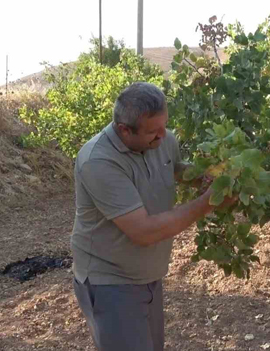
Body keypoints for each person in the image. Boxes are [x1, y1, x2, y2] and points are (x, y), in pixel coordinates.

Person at [70, 81, 234, 351]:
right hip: (110, 281)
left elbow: (175, 168)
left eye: (164, 126)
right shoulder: (98, 161)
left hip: (147, 275)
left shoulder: (162, 139)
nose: (163, 137)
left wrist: (205, 176)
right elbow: (144, 231)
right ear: (124, 129)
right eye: (153, 132)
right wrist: (209, 201)